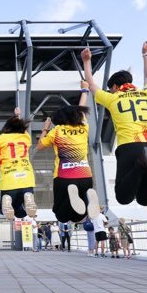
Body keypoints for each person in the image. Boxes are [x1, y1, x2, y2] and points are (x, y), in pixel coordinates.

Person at [82, 41, 147, 207]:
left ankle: (141, 164)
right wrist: (146, 55)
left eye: (111, 88)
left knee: (123, 197)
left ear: (115, 86)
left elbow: (91, 84)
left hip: (129, 146)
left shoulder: (113, 98)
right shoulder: (146, 94)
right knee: (145, 200)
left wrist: (86, 61)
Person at [37, 80, 100, 223]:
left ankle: (79, 198)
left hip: (64, 177)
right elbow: (81, 108)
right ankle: (88, 198)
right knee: (81, 215)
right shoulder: (83, 126)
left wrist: (45, 128)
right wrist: (85, 90)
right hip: (85, 175)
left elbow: (40, 146)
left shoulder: (56, 131)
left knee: (61, 215)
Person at [0, 107, 36, 220]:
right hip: (26, 178)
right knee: (21, 213)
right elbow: (22, 129)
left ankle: (9, 198)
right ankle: (27, 197)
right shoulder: (25, 137)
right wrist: (18, 115)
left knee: (2, 208)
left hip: (9, 180)